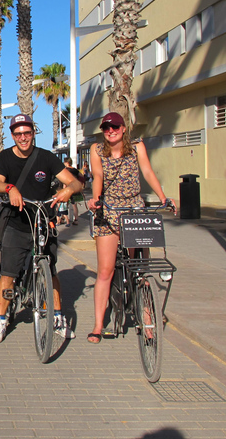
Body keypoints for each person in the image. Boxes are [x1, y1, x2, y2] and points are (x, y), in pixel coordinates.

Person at [0, 113, 82, 344]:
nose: (23, 137)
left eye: (27, 133)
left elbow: (76, 182)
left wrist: (68, 190)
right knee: (8, 275)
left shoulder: (47, 158)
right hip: (16, 223)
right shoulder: (5, 157)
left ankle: (58, 318)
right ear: (12, 135)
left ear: (33, 133)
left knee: (50, 271)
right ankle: (1, 318)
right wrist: (10, 188)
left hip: (42, 222)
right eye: (18, 134)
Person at [86, 112, 175, 344]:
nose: (110, 131)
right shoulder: (96, 150)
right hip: (108, 210)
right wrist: (96, 199)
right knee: (105, 271)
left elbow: (147, 172)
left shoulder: (136, 147)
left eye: (115, 127)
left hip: (135, 211)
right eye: (106, 128)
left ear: (124, 128)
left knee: (140, 270)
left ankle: (147, 321)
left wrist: (164, 198)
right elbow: (97, 176)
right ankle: (97, 325)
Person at [63, 157, 84, 226]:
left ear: (67, 163)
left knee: (65, 203)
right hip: (76, 188)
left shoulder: (66, 170)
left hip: (69, 189)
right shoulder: (75, 170)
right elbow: (81, 176)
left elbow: (65, 181)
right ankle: (76, 219)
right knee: (74, 205)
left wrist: (64, 189)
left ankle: (63, 217)